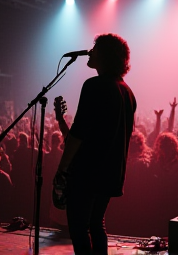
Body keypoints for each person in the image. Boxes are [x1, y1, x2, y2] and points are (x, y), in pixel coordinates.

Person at [54, 33, 136, 255]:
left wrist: (62, 169)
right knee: (96, 224)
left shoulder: (94, 85)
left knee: (79, 229)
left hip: (87, 173)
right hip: (110, 173)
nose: (89, 52)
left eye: (95, 48)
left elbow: (79, 136)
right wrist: (62, 122)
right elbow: (92, 135)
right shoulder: (127, 92)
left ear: (105, 55)